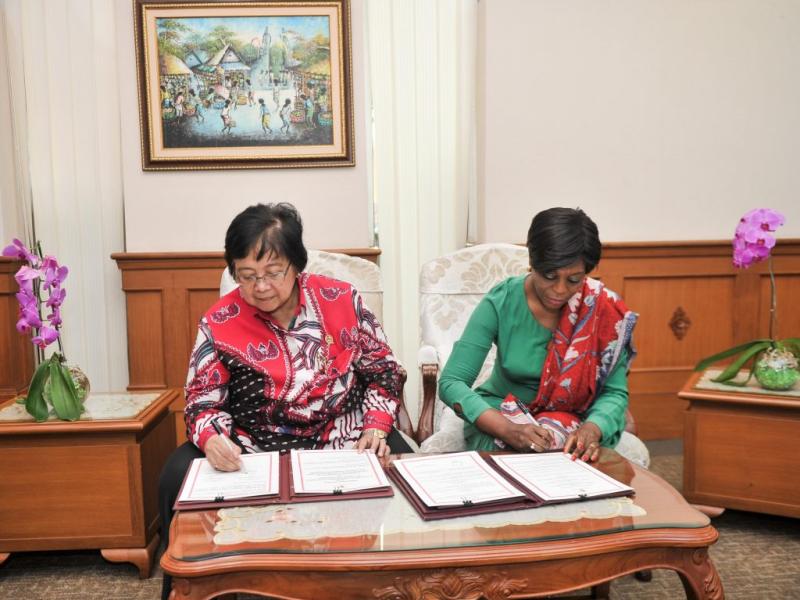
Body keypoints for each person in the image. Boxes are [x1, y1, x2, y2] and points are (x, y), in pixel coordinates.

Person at [158, 203, 409, 599]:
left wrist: (377, 424)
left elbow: (384, 372)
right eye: (247, 276)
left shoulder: (342, 299)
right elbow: (201, 401)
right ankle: (197, 587)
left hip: (342, 438)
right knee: (177, 472)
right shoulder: (219, 322)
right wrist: (212, 439)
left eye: (273, 273)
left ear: (296, 265)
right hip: (254, 447)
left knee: (401, 460)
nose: (261, 287)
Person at [438, 207, 637, 462]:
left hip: (576, 421)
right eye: (549, 276)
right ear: (532, 262)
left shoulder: (602, 309)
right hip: (507, 417)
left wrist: (592, 429)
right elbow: (451, 382)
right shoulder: (503, 301)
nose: (560, 290)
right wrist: (507, 429)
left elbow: (614, 392)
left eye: (574, 279)